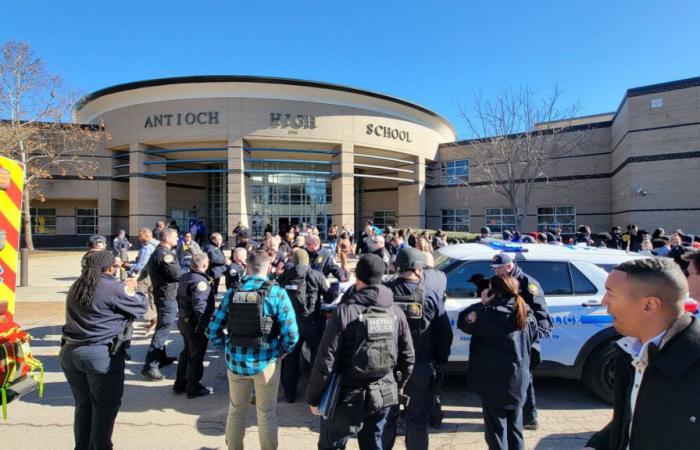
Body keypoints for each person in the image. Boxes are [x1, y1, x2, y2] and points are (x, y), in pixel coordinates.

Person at [584, 258, 700, 450]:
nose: (604, 301)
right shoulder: (629, 353)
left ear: (649, 305)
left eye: (610, 293)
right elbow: (632, 418)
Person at [306, 254, 415, 450]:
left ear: (358, 278)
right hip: (383, 393)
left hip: (346, 396)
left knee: (332, 444)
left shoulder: (345, 312)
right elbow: (408, 356)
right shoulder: (396, 312)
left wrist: (314, 398)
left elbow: (325, 360)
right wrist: (400, 385)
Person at [206, 250, 299, 450]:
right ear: (269, 267)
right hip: (266, 362)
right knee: (266, 413)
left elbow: (212, 330)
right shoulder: (276, 293)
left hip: (236, 362)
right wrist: (279, 352)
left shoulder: (232, 292)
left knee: (236, 410)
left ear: (247, 266)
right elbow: (292, 335)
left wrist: (227, 347)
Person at [60, 250, 148, 450]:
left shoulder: (77, 285)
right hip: (100, 354)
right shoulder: (113, 288)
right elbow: (141, 306)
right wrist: (134, 288)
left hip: (71, 352)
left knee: (84, 405)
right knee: (105, 407)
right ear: (109, 268)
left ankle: (82, 446)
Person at [382, 248, 452, 450]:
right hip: (420, 366)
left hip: (387, 367)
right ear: (419, 270)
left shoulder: (384, 293)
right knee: (417, 419)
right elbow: (445, 333)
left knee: (385, 418)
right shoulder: (430, 295)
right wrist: (440, 360)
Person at [458, 275, 537, 450]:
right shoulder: (526, 313)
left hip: (492, 383)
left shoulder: (486, 315)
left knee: (496, 432)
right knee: (515, 429)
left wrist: (482, 303)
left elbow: (463, 321)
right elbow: (533, 338)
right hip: (518, 379)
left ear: (494, 292)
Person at [491, 252, 552, 430]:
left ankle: (529, 418)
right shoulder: (500, 280)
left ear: (508, 267)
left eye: (497, 268)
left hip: (524, 338)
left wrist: (533, 336)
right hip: (508, 338)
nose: (495, 272)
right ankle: (511, 409)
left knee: (524, 377)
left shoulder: (528, 284)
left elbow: (540, 312)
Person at [277, 249, 334, 403]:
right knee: (317, 357)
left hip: (290, 322)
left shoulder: (285, 275)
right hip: (311, 321)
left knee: (290, 358)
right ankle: (316, 393)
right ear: (308, 260)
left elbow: (276, 293)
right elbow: (330, 297)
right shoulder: (316, 275)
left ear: (294, 261)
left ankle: (289, 394)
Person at [142, 228, 182, 380]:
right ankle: (150, 366)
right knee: (163, 330)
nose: (178, 239)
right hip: (167, 296)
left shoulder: (164, 252)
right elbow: (177, 274)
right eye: (176, 237)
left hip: (165, 295)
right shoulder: (163, 254)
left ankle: (161, 357)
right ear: (167, 238)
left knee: (163, 327)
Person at [174, 253, 214, 398]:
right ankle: (193, 387)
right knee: (196, 356)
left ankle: (180, 383)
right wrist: (207, 326)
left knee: (186, 352)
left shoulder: (185, 277)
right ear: (205, 265)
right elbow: (200, 306)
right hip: (195, 323)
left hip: (184, 320)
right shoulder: (201, 281)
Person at [203, 232, 228, 313]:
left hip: (217, 274)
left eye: (221, 239)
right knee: (211, 292)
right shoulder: (210, 247)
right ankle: (210, 309)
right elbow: (213, 259)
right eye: (219, 239)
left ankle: (212, 309)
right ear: (213, 240)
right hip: (212, 273)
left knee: (215, 291)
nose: (221, 241)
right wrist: (225, 261)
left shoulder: (217, 247)